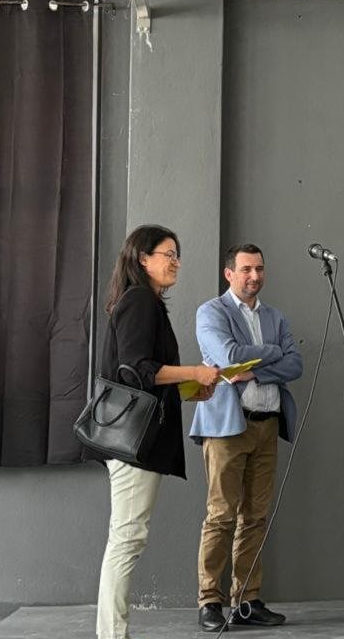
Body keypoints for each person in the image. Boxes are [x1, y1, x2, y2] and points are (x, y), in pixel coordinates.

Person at [95, 226, 224, 639]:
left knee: (127, 536)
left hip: (139, 439)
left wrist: (191, 389)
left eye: (177, 255)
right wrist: (195, 372)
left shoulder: (145, 302)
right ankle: (112, 634)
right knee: (127, 538)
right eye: (168, 254)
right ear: (142, 258)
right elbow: (136, 368)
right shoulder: (139, 301)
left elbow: (145, 377)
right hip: (135, 443)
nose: (176, 262)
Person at [192, 244, 303, 631]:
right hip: (227, 427)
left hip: (267, 425)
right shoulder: (211, 312)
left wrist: (254, 370)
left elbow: (296, 364)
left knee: (255, 517)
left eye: (259, 269)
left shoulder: (275, 316)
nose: (254, 276)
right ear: (229, 274)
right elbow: (227, 357)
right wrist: (272, 352)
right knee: (221, 516)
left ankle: (246, 601)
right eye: (246, 269)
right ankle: (210, 601)